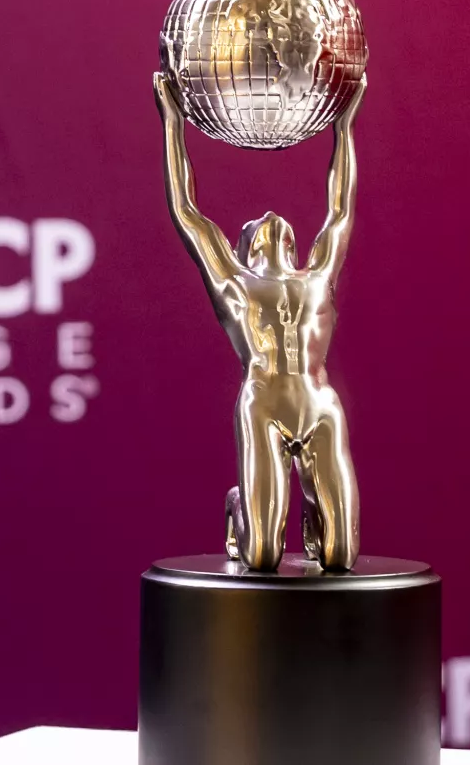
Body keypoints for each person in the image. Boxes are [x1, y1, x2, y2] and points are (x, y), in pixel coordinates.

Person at [154, 73, 364, 572]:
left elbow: (340, 209)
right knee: (263, 556)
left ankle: (316, 510)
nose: (267, 216)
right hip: (263, 404)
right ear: (243, 249)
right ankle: (238, 506)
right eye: (253, 228)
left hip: (320, 405)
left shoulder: (318, 277)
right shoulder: (235, 286)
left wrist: (345, 124)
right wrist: (172, 122)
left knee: (340, 556)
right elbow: (187, 212)